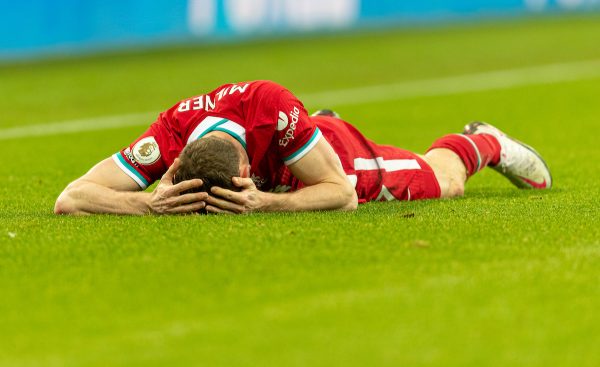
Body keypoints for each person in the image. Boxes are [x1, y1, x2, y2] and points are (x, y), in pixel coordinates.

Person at [54, 80, 552, 215]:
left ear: (250, 163)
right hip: (295, 141)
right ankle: (309, 137)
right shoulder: (170, 131)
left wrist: (266, 201)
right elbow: (71, 197)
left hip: (329, 158)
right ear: (177, 160)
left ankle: (481, 141)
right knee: (305, 141)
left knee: (443, 185)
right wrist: (148, 202)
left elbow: (341, 194)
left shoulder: (268, 106)